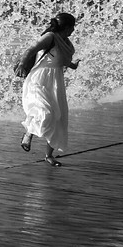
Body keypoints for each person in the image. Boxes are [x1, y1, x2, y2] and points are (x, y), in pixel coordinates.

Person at [14, 13, 80, 166]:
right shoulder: (50, 37)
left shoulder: (66, 42)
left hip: (56, 82)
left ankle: (49, 156)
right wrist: (23, 64)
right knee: (45, 112)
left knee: (58, 118)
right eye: (72, 26)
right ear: (67, 27)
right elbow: (31, 49)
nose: (74, 30)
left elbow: (61, 60)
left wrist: (72, 65)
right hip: (39, 79)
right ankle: (29, 133)